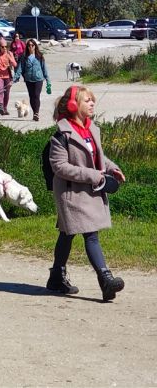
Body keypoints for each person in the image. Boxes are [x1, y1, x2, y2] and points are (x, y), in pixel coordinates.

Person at [47, 85, 127, 301]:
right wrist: (94, 175)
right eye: (87, 100)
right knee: (90, 233)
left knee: (67, 233)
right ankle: (106, 280)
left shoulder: (92, 129)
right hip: (71, 193)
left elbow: (98, 157)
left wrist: (112, 168)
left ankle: (56, 276)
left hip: (89, 190)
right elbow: (60, 167)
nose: (92, 103)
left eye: (93, 100)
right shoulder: (61, 135)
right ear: (74, 106)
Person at [13, 39, 50, 121]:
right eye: (29, 45)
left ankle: (36, 113)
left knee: (36, 95)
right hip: (29, 79)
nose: (30, 47)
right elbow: (20, 69)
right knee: (32, 97)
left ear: (35, 46)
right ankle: (34, 113)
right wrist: (15, 78)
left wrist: (48, 80)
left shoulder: (39, 56)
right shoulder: (24, 57)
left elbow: (44, 68)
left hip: (38, 79)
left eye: (32, 45)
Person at [0, 37, 17, 115]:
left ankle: (5, 108)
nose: (4, 48)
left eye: (6, 46)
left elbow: (15, 64)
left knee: (7, 93)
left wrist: (10, 58)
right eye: (2, 47)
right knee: (0, 91)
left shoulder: (9, 53)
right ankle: (1, 106)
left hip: (8, 76)